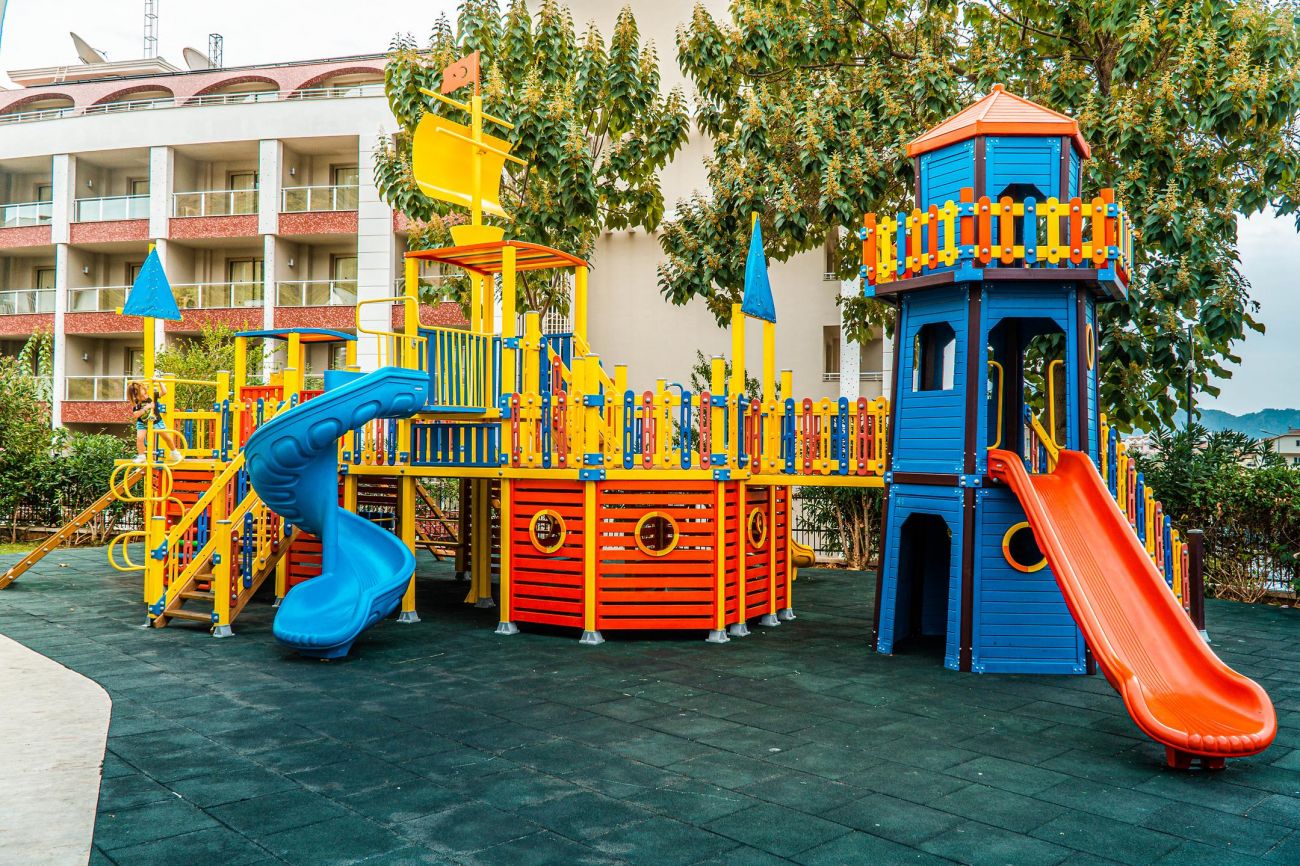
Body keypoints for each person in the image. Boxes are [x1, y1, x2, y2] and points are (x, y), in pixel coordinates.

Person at [128, 381, 183, 464]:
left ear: (145, 390)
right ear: (135, 396)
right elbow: (136, 414)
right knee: (140, 438)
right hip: (142, 422)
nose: (144, 397)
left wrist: (159, 381)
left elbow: (164, 392)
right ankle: (141, 456)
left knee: (166, 437)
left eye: (144, 394)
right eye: (140, 396)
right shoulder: (136, 402)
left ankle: (174, 453)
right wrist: (146, 407)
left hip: (156, 421)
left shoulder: (152, 395)